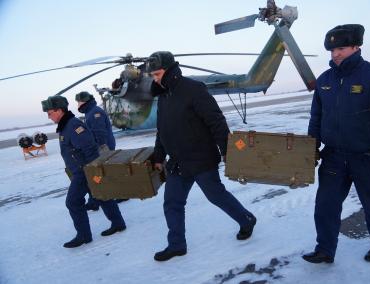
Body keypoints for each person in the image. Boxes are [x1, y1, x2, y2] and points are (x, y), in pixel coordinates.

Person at [303, 24, 370, 263]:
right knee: (325, 205)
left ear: (356, 46)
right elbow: (317, 117)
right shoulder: (324, 80)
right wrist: (310, 147)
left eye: (341, 48)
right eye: (332, 50)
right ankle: (325, 249)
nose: (335, 54)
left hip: (367, 156)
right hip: (333, 156)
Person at [148, 51, 257, 261]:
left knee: (216, 195)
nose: (156, 79)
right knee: (172, 202)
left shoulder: (193, 89)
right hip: (178, 162)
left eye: (158, 74)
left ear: (170, 70)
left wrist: (227, 151)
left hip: (201, 158)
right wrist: (159, 156)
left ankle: (246, 219)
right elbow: (162, 131)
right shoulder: (163, 97)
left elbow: (216, 122)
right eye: (153, 76)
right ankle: (176, 245)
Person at [41, 95, 127, 248]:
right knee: (101, 196)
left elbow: (89, 148)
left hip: (84, 172)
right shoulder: (65, 125)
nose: (49, 116)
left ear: (59, 110)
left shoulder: (73, 125)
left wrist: (93, 171)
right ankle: (118, 223)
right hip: (81, 171)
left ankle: (84, 236)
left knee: (73, 202)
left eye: (50, 112)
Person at [75, 91, 128, 210]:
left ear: (85, 101)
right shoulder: (90, 112)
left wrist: (100, 148)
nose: (78, 104)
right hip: (101, 147)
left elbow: (99, 132)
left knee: (102, 174)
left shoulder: (95, 112)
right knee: (99, 174)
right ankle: (95, 200)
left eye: (79, 102)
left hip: (102, 148)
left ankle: (119, 195)